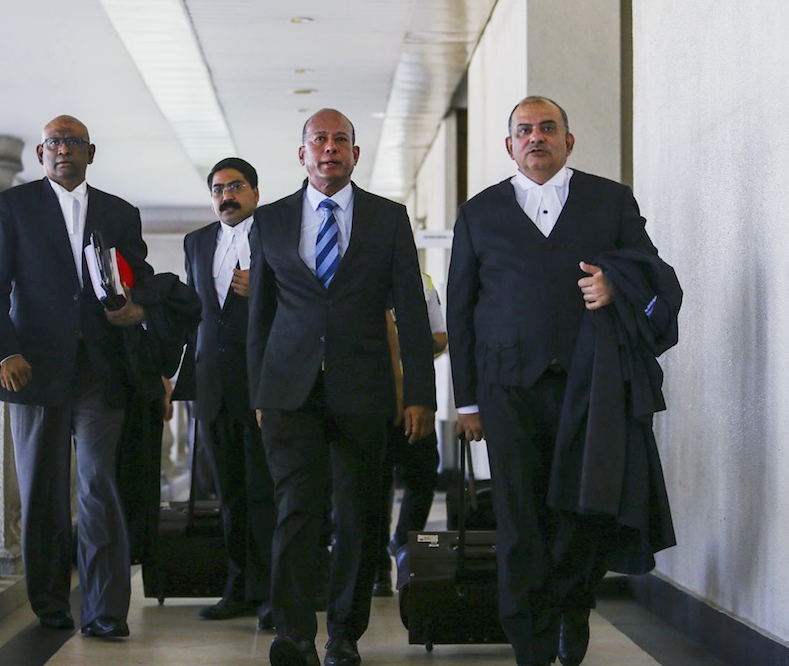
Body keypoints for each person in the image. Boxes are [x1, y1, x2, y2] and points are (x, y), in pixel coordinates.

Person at [447, 96, 679, 666]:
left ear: (568, 141)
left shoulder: (610, 201)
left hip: (590, 389)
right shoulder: (479, 213)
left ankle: (571, 613)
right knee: (520, 519)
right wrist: (467, 400)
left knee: (582, 512)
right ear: (509, 145)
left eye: (548, 128)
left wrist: (615, 290)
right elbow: (460, 309)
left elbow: (655, 276)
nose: (536, 138)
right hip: (506, 389)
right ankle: (529, 642)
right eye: (524, 130)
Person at [248, 108, 437, 666]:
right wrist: (260, 391)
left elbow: (411, 311)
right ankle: (294, 634)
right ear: (301, 154)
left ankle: (344, 636)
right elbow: (260, 315)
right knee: (296, 512)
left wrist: (420, 394)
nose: (329, 148)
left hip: (365, 389)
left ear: (356, 153)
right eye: (318, 140)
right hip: (289, 390)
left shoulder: (388, 218)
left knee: (361, 515)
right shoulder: (273, 220)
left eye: (341, 140)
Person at [0, 114, 152, 639]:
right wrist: (6, 353)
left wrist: (135, 308)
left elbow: (137, 280)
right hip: (33, 371)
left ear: (90, 153)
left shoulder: (120, 213)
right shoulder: (13, 207)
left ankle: (105, 612)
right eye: (55, 142)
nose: (64, 150)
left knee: (99, 485)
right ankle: (51, 604)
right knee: (43, 491)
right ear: (40, 153)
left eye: (74, 143)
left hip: (102, 371)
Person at [182, 157, 276, 629]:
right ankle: (237, 587)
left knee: (266, 494)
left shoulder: (276, 234)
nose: (226, 196)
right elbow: (193, 317)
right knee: (230, 496)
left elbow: (301, 298)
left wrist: (261, 288)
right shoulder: (196, 242)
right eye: (218, 189)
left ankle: (272, 593)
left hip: (264, 387)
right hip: (213, 387)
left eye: (235, 186)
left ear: (255, 192)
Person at [372, 272, 447, 596]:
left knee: (423, 474)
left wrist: (413, 343)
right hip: (371, 399)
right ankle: (376, 570)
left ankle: (404, 545)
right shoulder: (358, 273)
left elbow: (441, 337)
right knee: (372, 486)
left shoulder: (421, 281)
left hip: (415, 401)